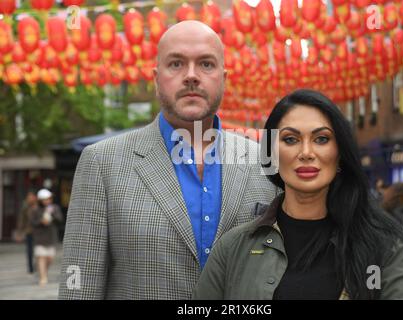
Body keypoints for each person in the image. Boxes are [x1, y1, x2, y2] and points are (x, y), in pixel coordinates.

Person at [58, 21, 278, 299]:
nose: (191, 76)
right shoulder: (102, 162)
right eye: (176, 64)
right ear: (155, 77)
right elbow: (80, 279)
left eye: (206, 64)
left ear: (224, 77)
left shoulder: (265, 158)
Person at [192, 89, 403, 300]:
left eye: (321, 139)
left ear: (340, 155)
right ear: (271, 155)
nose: (306, 152)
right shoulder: (234, 248)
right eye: (291, 139)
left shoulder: (386, 248)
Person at [31, 188, 64, 286]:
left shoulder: (54, 208)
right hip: (39, 237)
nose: (47, 201)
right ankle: (43, 277)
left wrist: (52, 214)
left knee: (50, 258)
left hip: (51, 237)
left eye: (49, 199)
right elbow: (32, 222)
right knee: (41, 257)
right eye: (45, 199)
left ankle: (42, 271)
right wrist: (41, 221)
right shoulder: (35, 209)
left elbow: (59, 219)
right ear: (40, 200)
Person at [15, 190, 38, 274]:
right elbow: (21, 220)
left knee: (38, 250)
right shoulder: (25, 207)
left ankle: (37, 265)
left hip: (39, 232)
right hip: (29, 231)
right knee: (29, 250)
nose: (30, 198)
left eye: (32, 196)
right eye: (29, 197)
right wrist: (19, 233)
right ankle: (31, 267)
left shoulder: (38, 205)